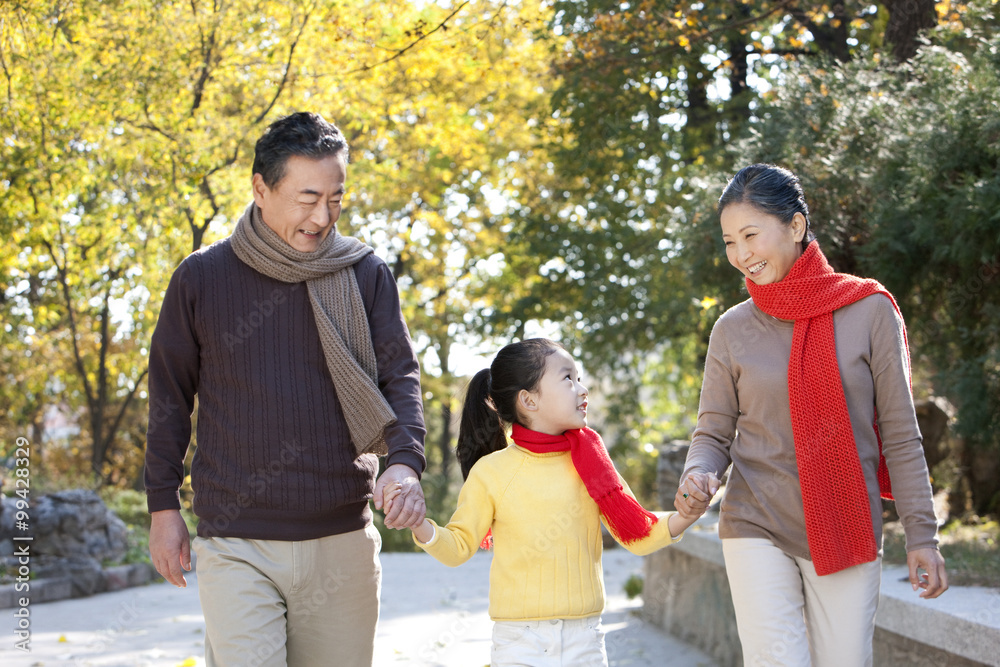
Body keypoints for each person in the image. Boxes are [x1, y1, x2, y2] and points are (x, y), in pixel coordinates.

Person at [144, 111, 427, 667]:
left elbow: (400, 376)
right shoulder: (201, 279)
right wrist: (162, 506)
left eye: (336, 198)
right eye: (307, 197)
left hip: (341, 538)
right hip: (236, 542)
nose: (323, 216)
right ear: (260, 188)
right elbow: (169, 399)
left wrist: (403, 462)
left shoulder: (365, 273)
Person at [678, 163, 947, 667]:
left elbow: (900, 434)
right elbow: (713, 431)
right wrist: (700, 471)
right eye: (729, 242)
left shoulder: (868, 310)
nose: (741, 255)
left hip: (845, 523)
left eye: (751, 236)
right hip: (754, 519)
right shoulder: (732, 330)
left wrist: (922, 536)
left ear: (796, 227)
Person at [384, 338, 718, 667]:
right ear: (529, 400)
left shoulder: (592, 459)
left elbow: (638, 533)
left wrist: (685, 516)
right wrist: (419, 524)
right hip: (519, 643)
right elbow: (458, 547)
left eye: (580, 378)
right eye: (568, 378)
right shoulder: (492, 472)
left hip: (585, 640)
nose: (583, 390)